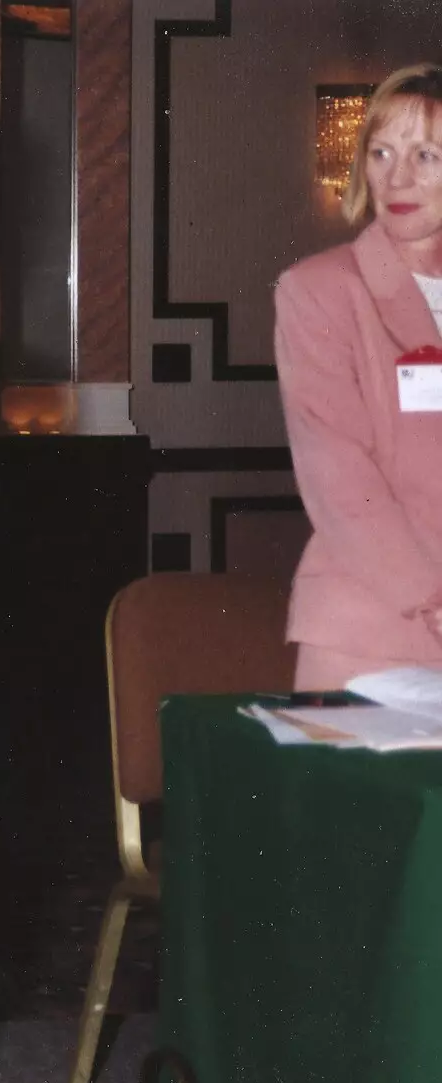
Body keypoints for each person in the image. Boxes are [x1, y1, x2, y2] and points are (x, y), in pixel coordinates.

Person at [275, 63, 442, 691]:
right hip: (371, 636)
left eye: (425, 154)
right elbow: (338, 477)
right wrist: (433, 596)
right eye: (381, 152)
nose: (397, 177)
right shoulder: (319, 291)